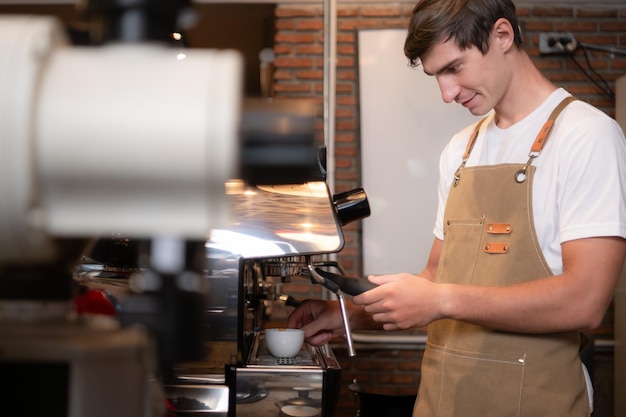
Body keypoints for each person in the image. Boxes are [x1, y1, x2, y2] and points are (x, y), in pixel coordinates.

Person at [287, 0, 626, 416]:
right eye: (436, 77)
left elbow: (586, 301)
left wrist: (442, 301)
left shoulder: (586, 136)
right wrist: (353, 314)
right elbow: (436, 277)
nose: (447, 94)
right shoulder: (461, 150)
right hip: (442, 401)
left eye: (454, 68)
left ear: (502, 36)